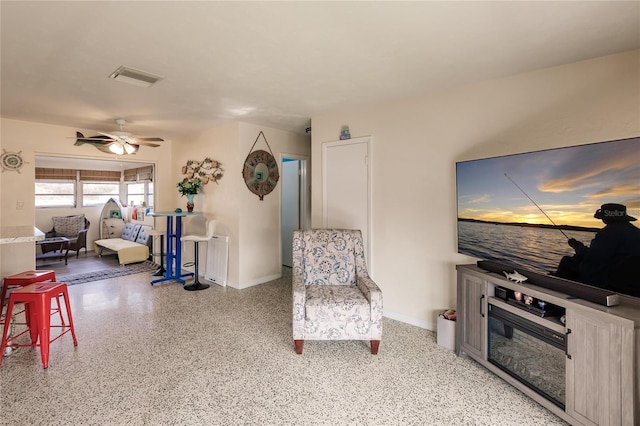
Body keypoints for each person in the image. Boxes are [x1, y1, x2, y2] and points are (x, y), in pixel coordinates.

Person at [555, 203, 640, 290]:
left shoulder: (608, 232)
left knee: (567, 261)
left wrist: (576, 245)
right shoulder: (637, 232)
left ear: (606, 218)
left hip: (605, 278)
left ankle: (558, 290)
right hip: (630, 279)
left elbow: (592, 256)